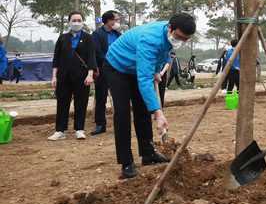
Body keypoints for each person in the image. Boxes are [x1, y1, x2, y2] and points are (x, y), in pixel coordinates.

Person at [104, 12, 196, 178]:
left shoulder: (170, 36)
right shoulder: (150, 39)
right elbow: (144, 80)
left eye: (185, 39)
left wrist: (155, 70)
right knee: (123, 112)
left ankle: (148, 154)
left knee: (142, 109)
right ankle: (126, 162)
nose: (181, 41)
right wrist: (159, 112)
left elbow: (161, 55)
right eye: (179, 37)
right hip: (117, 66)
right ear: (169, 28)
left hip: (137, 66)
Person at [48, 11, 97, 141]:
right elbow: (56, 58)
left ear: (83, 22)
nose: (76, 23)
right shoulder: (62, 38)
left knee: (81, 103)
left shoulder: (88, 38)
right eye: (73, 20)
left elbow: (92, 58)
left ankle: (79, 129)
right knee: (62, 103)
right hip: (64, 76)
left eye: (79, 20)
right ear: (69, 22)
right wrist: (54, 76)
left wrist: (90, 75)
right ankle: (60, 131)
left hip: (82, 76)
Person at [90, 10, 122, 135]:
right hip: (103, 71)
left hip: (118, 71)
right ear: (109, 21)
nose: (117, 22)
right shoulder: (97, 34)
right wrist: (110, 61)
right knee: (101, 98)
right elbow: (96, 52)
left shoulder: (118, 35)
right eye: (116, 19)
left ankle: (119, 124)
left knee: (119, 98)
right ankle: (100, 124)